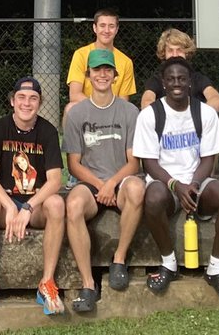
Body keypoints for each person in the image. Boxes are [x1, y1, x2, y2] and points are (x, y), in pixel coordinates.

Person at [133, 57, 219, 301]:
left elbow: (208, 158)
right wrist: (176, 185)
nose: (176, 83)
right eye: (170, 79)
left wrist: (192, 185)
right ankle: (168, 263)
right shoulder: (150, 115)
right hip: (166, 182)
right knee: (153, 198)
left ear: (191, 82)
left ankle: (215, 268)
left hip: (197, 180)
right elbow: (148, 163)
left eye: (181, 78)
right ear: (163, 82)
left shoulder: (204, 113)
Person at [0, 76, 66, 316]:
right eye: (21, 98)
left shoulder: (48, 131)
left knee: (56, 204)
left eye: (33, 98)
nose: (27, 103)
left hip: (35, 206)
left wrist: (28, 207)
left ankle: (47, 282)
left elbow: (55, 180)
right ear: (12, 101)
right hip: (7, 204)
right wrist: (10, 206)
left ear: (40, 102)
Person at [63, 49, 145, 313]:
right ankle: (88, 284)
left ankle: (119, 259)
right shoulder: (77, 113)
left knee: (136, 188)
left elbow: (134, 162)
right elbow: (73, 163)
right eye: (96, 70)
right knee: (73, 205)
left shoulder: (130, 111)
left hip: (120, 178)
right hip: (91, 182)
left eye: (107, 70)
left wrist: (111, 185)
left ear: (114, 75)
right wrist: (100, 186)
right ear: (88, 75)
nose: (102, 75)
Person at [66, 9, 136, 115]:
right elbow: (75, 95)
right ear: (95, 28)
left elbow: (123, 100)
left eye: (111, 26)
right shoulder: (81, 54)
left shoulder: (126, 62)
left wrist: (108, 112)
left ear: (117, 29)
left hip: (113, 113)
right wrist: (99, 109)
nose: (107, 30)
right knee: (70, 108)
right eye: (102, 25)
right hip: (87, 110)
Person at [139, 28, 219, 112]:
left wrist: (198, 117)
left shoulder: (198, 79)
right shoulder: (156, 80)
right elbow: (146, 102)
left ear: (186, 53)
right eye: (170, 51)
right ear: (164, 54)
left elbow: (216, 100)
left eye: (179, 50)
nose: (175, 55)